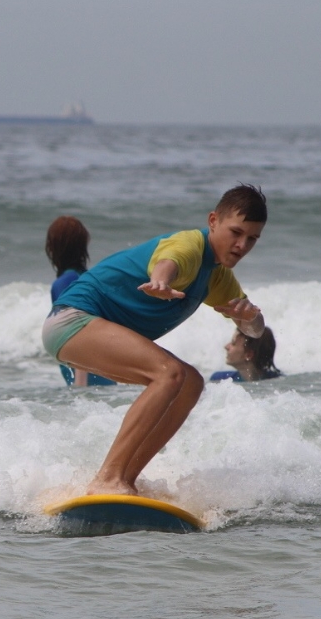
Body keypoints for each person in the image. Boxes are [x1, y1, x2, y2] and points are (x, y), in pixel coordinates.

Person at [42, 184, 269, 496]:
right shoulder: (190, 246)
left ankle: (125, 478)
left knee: (190, 383)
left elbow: (255, 331)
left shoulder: (217, 277)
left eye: (252, 238)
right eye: (236, 232)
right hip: (71, 320)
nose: (242, 245)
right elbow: (168, 262)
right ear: (213, 221)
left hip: (84, 329)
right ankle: (108, 478)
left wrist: (251, 319)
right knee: (169, 373)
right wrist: (160, 281)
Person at [45, 215, 114, 386]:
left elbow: (78, 331)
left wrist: (80, 386)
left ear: (53, 247)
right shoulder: (88, 279)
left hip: (87, 382)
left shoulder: (65, 283)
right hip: (105, 376)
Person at [211, 327, 282, 382]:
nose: (226, 347)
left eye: (233, 343)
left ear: (248, 355)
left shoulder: (279, 381)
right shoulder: (219, 379)